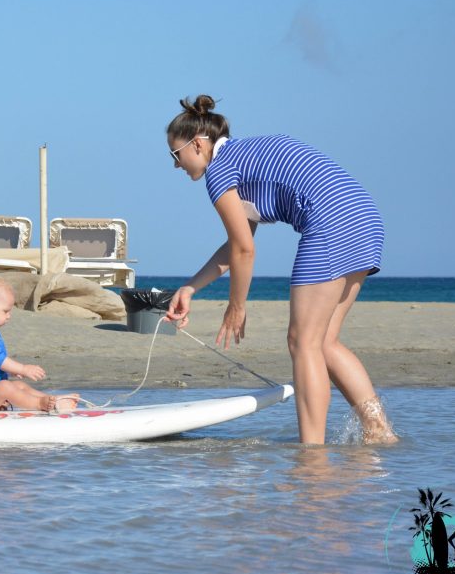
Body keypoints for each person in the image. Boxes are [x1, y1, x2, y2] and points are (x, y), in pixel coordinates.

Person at [164, 94, 396, 445]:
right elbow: (235, 246)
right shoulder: (245, 156)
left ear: (197, 144)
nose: (176, 165)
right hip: (363, 216)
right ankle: (379, 431)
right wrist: (191, 287)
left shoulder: (220, 170)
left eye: (175, 155)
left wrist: (236, 307)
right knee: (324, 342)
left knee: (302, 342)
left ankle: (312, 456)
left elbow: (245, 249)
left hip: (330, 220)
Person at [0, 275, 79, 412]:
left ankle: (51, 399)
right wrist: (22, 369)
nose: (9, 316)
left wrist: (11, 370)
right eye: (5, 311)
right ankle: (41, 404)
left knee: (19, 386)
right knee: (5, 387)